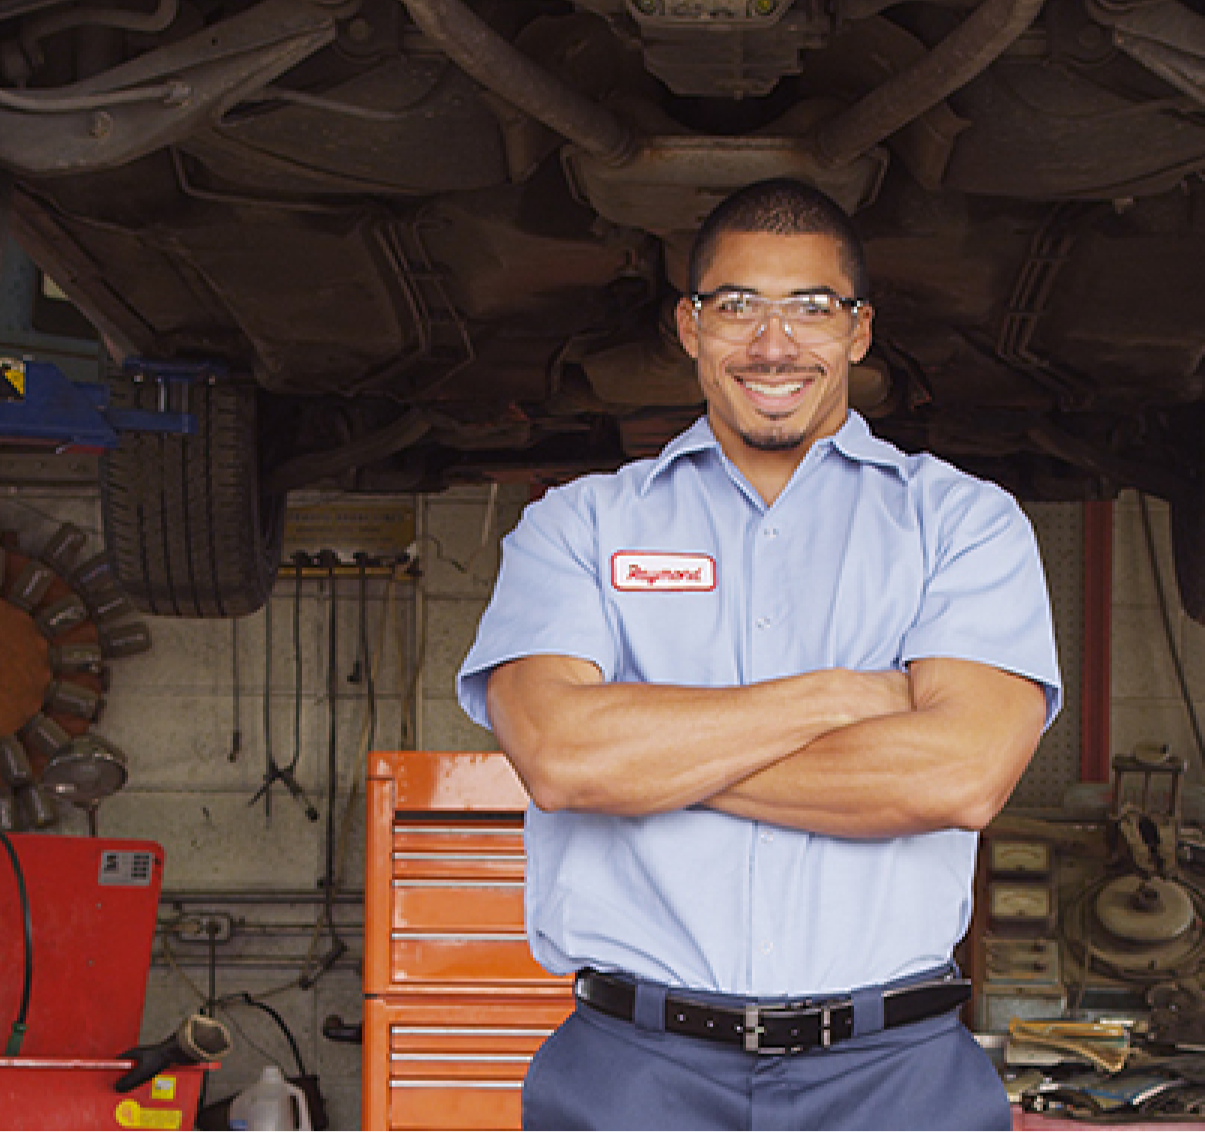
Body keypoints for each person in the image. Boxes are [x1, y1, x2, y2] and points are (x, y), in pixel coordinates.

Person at [452, 178, 1062, 1132]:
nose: (773, 345)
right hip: (634, 1077)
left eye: (811, 308)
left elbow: (959, 778)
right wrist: (840, 696)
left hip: (892, 1081)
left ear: (859, 331)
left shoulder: (959, 523)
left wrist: (649, 752)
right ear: (689, 326)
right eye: (737, 307)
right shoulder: (579, 524)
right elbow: (562, 759)